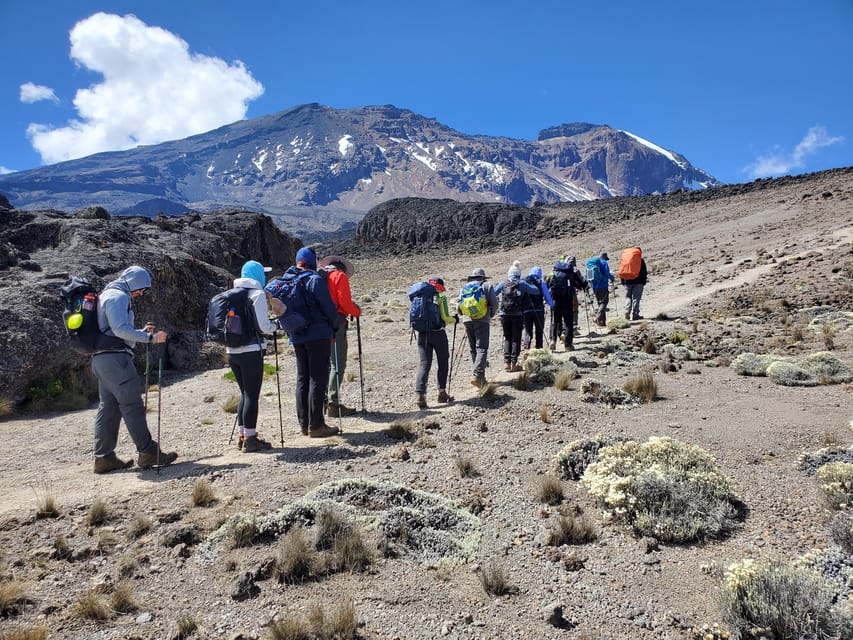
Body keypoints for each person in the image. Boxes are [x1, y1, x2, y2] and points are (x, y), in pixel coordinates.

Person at [91, 266, 178, 474]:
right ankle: (148, 452)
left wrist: (139, 333)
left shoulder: (105, 295)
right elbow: (120, 329)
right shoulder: (118, 297)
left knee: (109, 407)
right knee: (132, 405)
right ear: (133, 283)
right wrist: (150, 337)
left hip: (101, 359)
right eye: (141, 288)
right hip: (117, 359)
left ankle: (104, 458)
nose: (141, 293)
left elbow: (113, 328)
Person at [280, 247, 340, 438]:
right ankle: (316, 425)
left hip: (297, 335)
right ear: (312, 261)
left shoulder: (287, 281)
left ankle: (304, 424)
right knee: (317, 377)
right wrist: (335, 324)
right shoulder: (315, 280)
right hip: (318, 334)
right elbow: (328, 307)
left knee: (302, 378)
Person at [227, 260, 279, 453]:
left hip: (232, 351)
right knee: (251, 395)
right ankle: (250, 439)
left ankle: (242, 435)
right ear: (257, 275)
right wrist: (276, 326)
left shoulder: (231, 295)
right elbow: (263, 327)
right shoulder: (257, 295)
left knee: (244, 393)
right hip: (251, 350)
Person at [319, 255, 361, 418]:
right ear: (342, 268)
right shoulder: (339, 276)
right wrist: (357, 312)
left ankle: (321, 400)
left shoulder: (320, 277)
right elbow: (344, 303)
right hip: (336, 325)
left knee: (325, 364)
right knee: (337, 363)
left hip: (320, 326)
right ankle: (333, 403)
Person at [414, 277, 458, 409]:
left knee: (424, 364)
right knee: (443, 362)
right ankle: (442, 393)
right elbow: (445, 317)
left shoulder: (419, 296)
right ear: (440, 287)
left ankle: (420, 395)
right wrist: (454, 320)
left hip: (422, 334)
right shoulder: (440, 297)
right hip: (438, 333)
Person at [494, 261, 539, 371]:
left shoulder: (503, 283)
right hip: (517, 315)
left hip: (504, 314)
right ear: (518, 274)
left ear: (509, 274)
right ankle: (514, 363)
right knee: (516, 338)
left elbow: (493, 293)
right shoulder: (521, 284)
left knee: (507, 337)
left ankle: (506, 363)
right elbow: (536, 291)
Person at [459, 267, 498, 388]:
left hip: (467, 320)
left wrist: (464, 316)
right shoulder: (487, 286)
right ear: (483, 277)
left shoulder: (464, 288)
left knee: (473, 348)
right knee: (482, 347)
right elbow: (495, 304)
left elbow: (459, 306)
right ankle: (478, 375)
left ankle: (480, 377)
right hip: (482, 320)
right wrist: (490, 314)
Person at [548, 259, 586, 351]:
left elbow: (547, 284)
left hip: (555, 300)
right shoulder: (571, 272)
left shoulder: (553, 272)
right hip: (567, 300)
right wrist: (583, 286)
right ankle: (568, 345)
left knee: (555, 320)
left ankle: (553, 340)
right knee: (568, 322)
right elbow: (582, 283)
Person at [521, 266, 554, 350]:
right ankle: (539, 349)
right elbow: (547, 297)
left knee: (528, 331)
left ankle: (526, 348)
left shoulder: (524, 282)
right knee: (539, 330)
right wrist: (552, 305)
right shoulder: (541, 283)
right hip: (538, 310)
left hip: (526, 311)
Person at [587, 251, 616, 327]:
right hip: (603, 285)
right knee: (604, 302)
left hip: (594, 286)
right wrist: (612, 278)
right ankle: (597, 317)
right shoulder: (604, 263)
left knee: (600, 303)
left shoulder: (592, 264)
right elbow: (606, 273)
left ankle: (602, 322)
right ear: (604, 258)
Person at [621, 247, 648, 321]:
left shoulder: (625, 260)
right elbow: (644, 272)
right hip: (638, 282)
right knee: (636, 298)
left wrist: (623, 281)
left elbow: (622, 270)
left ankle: (627, 311)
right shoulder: (640, 261)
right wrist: (643, 281)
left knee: (628, 297)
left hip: (627, 282)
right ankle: (635, 314)